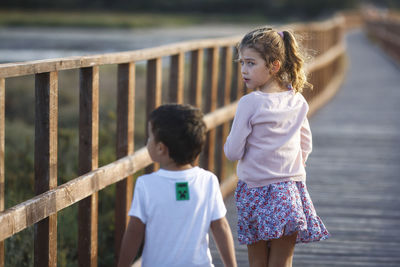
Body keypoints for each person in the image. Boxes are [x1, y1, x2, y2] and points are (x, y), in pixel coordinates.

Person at [224, 27, 330, 267]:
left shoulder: (250, 103)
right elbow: (306, 144)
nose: (243, 70)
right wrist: (291, 168)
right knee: (283, 261)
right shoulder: (297, 99)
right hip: (289, 191)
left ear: (273, 66)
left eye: (251, 63)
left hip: (254, 191)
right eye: (241, 63)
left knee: (257, 261)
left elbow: (233, 152)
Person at [118, 104, 237, 267]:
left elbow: (134, 233)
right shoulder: (208, 180)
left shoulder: (146, 185)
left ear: (161, 148)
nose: (147, 142)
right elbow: (221, 227)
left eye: (150, 137)